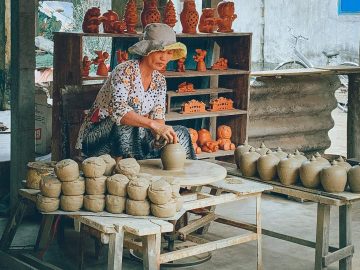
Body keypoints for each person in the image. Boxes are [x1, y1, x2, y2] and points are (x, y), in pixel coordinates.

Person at [75, 23, 196, 161]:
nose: (164, 58)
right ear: (147, 50)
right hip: (98, 139)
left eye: (169, 52)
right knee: (126, 122)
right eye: (159, 51)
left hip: (134, 138)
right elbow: (119, 112)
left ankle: (183, 179)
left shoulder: (160, 81)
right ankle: (129, 171)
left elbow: (158, 115)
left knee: (180, 134)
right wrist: (153, 125)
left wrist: (159, 136)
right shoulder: (124, 71)